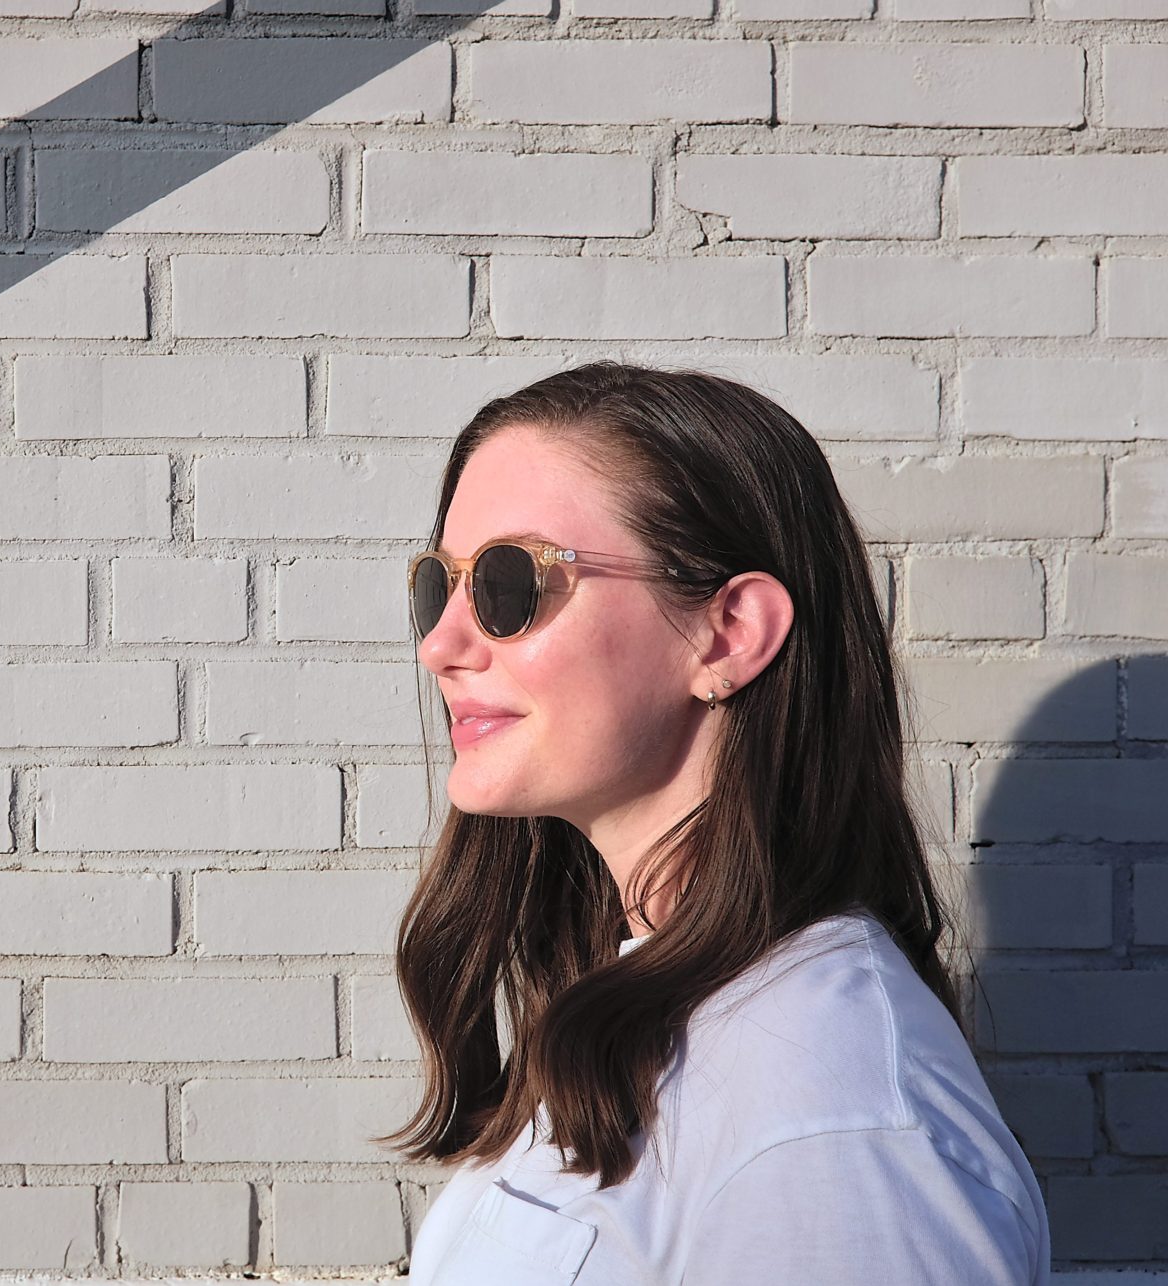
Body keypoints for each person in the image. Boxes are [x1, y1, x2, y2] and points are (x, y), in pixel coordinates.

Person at [382, 361, 1051, 1285]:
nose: (440, 644)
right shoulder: (651, 1008)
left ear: (728, 633)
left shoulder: (830, 1124)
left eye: (508, 584)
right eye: (439, 585)